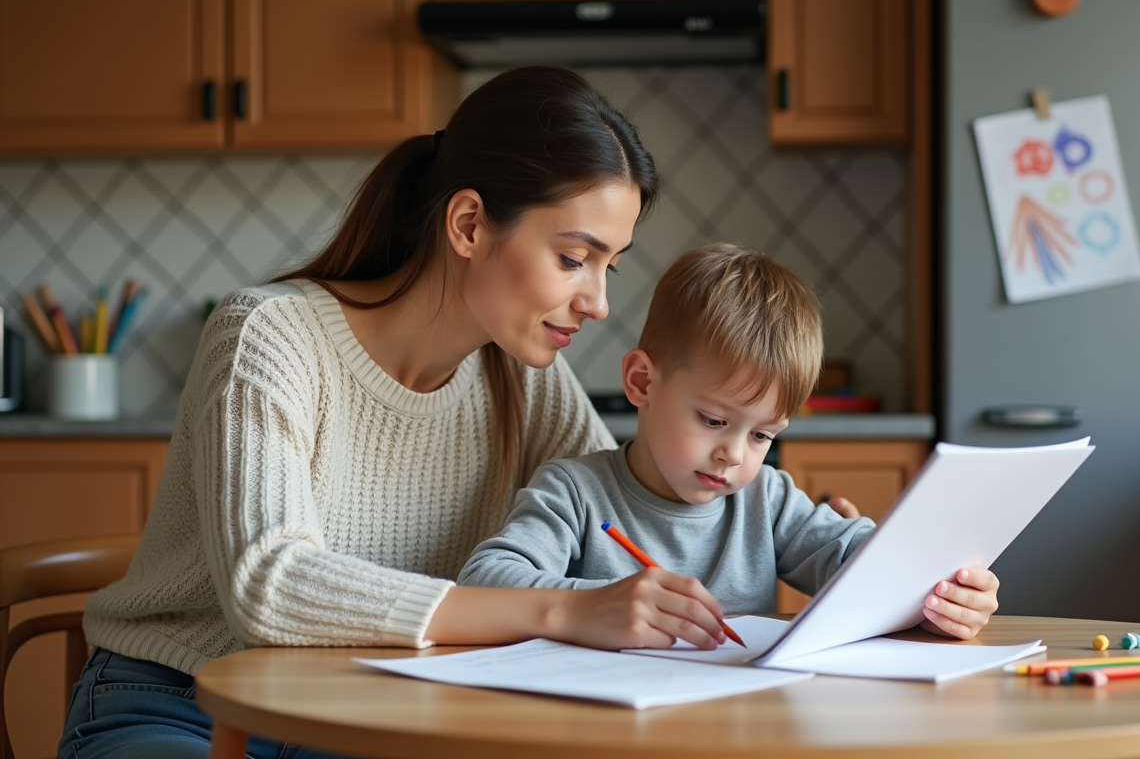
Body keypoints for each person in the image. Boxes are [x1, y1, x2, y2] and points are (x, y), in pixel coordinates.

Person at [57, 67, 734, 759]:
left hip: (375, 716)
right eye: (572, 258)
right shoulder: (269, 334)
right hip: (181, 703)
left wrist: (788, 535)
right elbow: (270, 585)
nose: (598, 303)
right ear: (468, 224)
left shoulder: (527, 380)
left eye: (608, 267)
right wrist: (561, 609)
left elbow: (620, 528)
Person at [459, 244, 1000, 639]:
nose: (734, 455)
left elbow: (854, 556)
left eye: (763, 434)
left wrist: (941, 592)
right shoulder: (574, 491)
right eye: (714, 421)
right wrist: (594, 603)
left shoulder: (765, 498)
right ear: (643, 383)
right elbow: (483, 582)